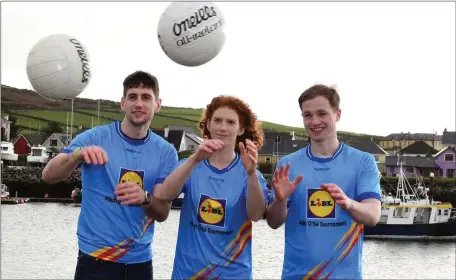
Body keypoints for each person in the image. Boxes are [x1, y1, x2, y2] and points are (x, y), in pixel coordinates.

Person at [42, 70, 178, 280]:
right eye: (132, 97)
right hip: (94, 260)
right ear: (123, 103)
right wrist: (76, 156)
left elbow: (162, 213)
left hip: (139, 263)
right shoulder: (95, 137)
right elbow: (48, 175)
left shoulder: (167, 153)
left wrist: (145, 198)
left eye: (146, 97)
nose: (139, 104)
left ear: (157, 105)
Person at [266, 84, 381, 279]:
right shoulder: (287, 164)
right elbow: (274, 222)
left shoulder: (363, 161)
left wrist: (348, 203)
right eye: (307, 115)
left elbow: (373, 216)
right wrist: (279, 199)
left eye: (322, 113)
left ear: (338, 114)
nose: (314, 121)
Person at [155, 95, 269, 279]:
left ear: (240, 129)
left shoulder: (250, 172)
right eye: (217, 120)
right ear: (208, 124)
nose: (223, 127)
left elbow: (256, 215)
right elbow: (164, 195)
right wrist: (194, 158)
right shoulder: (191, 165)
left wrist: (251, 174)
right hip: (188, 274)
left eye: (230, 122)